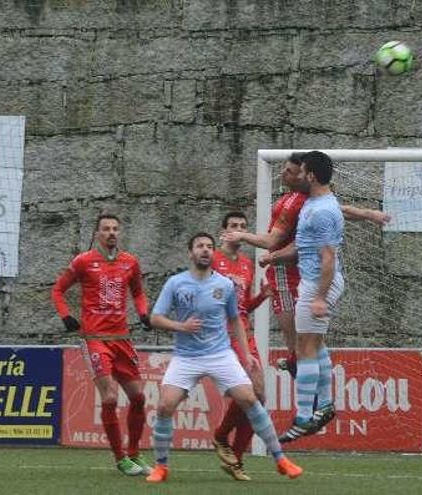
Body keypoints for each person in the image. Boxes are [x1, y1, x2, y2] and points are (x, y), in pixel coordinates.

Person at [145, 232, 302, 483]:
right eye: (199, 246)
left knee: (251, 399)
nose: (205, 250)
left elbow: (235, 320)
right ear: (190, 252)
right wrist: (180, 327)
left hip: (220, 354)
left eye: (208, 246)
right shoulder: (176, 283)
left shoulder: (225, 285)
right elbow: (155, 318)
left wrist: (247, 354)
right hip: (186, 357)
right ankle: (161, 467)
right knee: (165, 405)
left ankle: (281, 460)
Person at [222, 152, 389, 377]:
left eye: (292, 171)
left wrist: (248, 241)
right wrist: (370, 214)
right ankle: (313, 392)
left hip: (288, 272)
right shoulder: (313, 201)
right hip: (301, 273)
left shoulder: (296, 203)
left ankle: (304, 385)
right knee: (309, 343)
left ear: (305, 176)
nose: (284, 173)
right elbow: (342, 210)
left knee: (301, 347)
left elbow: (273, 241)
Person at [51, 212, 153, 476]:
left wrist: (143, 313)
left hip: (121, 338)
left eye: (115, 229)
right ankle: (120, 458)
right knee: (109, 396)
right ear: (97, 233)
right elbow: (58, 290)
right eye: (105, 229)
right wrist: (65, 315)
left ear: (120, 233)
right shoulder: (84, 261)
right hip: (94, 339)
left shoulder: (130, 262)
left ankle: (134, 454)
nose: (110, 233)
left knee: (139, 397)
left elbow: (138, 292)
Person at [264, 151, 345, 442]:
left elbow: (328, 258)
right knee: (316, 344)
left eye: (301, 172)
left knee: (304, 347)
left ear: (310, 175)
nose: (297, 176)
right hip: (314, 282)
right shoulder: (317, 202)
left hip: (317, 283)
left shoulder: (322, 210)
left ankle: (302, 418)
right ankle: (324, 405)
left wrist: (320, 297)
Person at [211, 211, 273, 481]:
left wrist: (262, 296)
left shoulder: (248, 264)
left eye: (243, 226)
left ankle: (234, 456)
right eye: (234, 226)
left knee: (259, 397)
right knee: (248, 394)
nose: (238, 230)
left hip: (243, 334)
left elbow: (243, 306)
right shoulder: (211, 259)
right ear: (223, 231)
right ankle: (222, 436)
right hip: (220, 335)